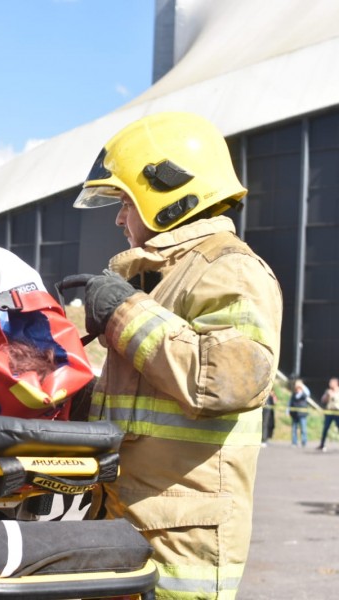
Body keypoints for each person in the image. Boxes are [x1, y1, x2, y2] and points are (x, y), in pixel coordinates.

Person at [74, 112, 283, 599]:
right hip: (127, 521)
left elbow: (231, 379)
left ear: (167, 194)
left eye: (126, 202)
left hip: (179, 542)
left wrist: (125, 312)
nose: (119, 218)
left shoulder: (228, 269)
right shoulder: (161, 281)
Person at [317, 377, 339, 451]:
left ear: (336, 383)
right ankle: (322, 444)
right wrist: (327, 395)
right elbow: (323, 400)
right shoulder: (328, 391)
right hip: (329, 412)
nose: (330, 384)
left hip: (337, 412)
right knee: (325, 428)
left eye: (331, 382)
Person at [287, 378, 310, 448]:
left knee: (303, 429)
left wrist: (301, 385)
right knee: (294, 429)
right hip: (295, 414)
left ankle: (304, 442)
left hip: (302, 414)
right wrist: (287, 411)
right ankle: (294, 442)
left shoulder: (304, 394)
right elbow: (290, 402)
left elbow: (308, 393)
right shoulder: (294, 394)